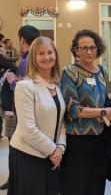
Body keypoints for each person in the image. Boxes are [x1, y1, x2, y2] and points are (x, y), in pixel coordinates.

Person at [60, 29, 111, 195]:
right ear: (76, 50)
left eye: (92, 47)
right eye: (84, 48)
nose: (89, 51)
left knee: (96, 185)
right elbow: (74, 109)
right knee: (76, 186)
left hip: (100, 138)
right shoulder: (69, 72)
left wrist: (108, 110)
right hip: (77, 140)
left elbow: (105, 99)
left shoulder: (102, 71)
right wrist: (103, 112)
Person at [8, 36, 66, 195]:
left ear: (56, 55)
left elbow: (61, 121)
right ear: (33, 57)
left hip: (51, 156)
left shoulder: (56, 86)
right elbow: (27, 128)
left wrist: (60, 148)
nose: (47, 57)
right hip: (28, 155)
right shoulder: (25, 86)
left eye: (50, 52)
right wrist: (53, 150)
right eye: (41, 53)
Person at [1, 25, 40, 190]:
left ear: (22, 40)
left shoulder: (26, 60)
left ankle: (15, 183)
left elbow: (25, 90)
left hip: (20, 112)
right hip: (30, 112)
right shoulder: (33, 58)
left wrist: (12, 81)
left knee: (16, 148)